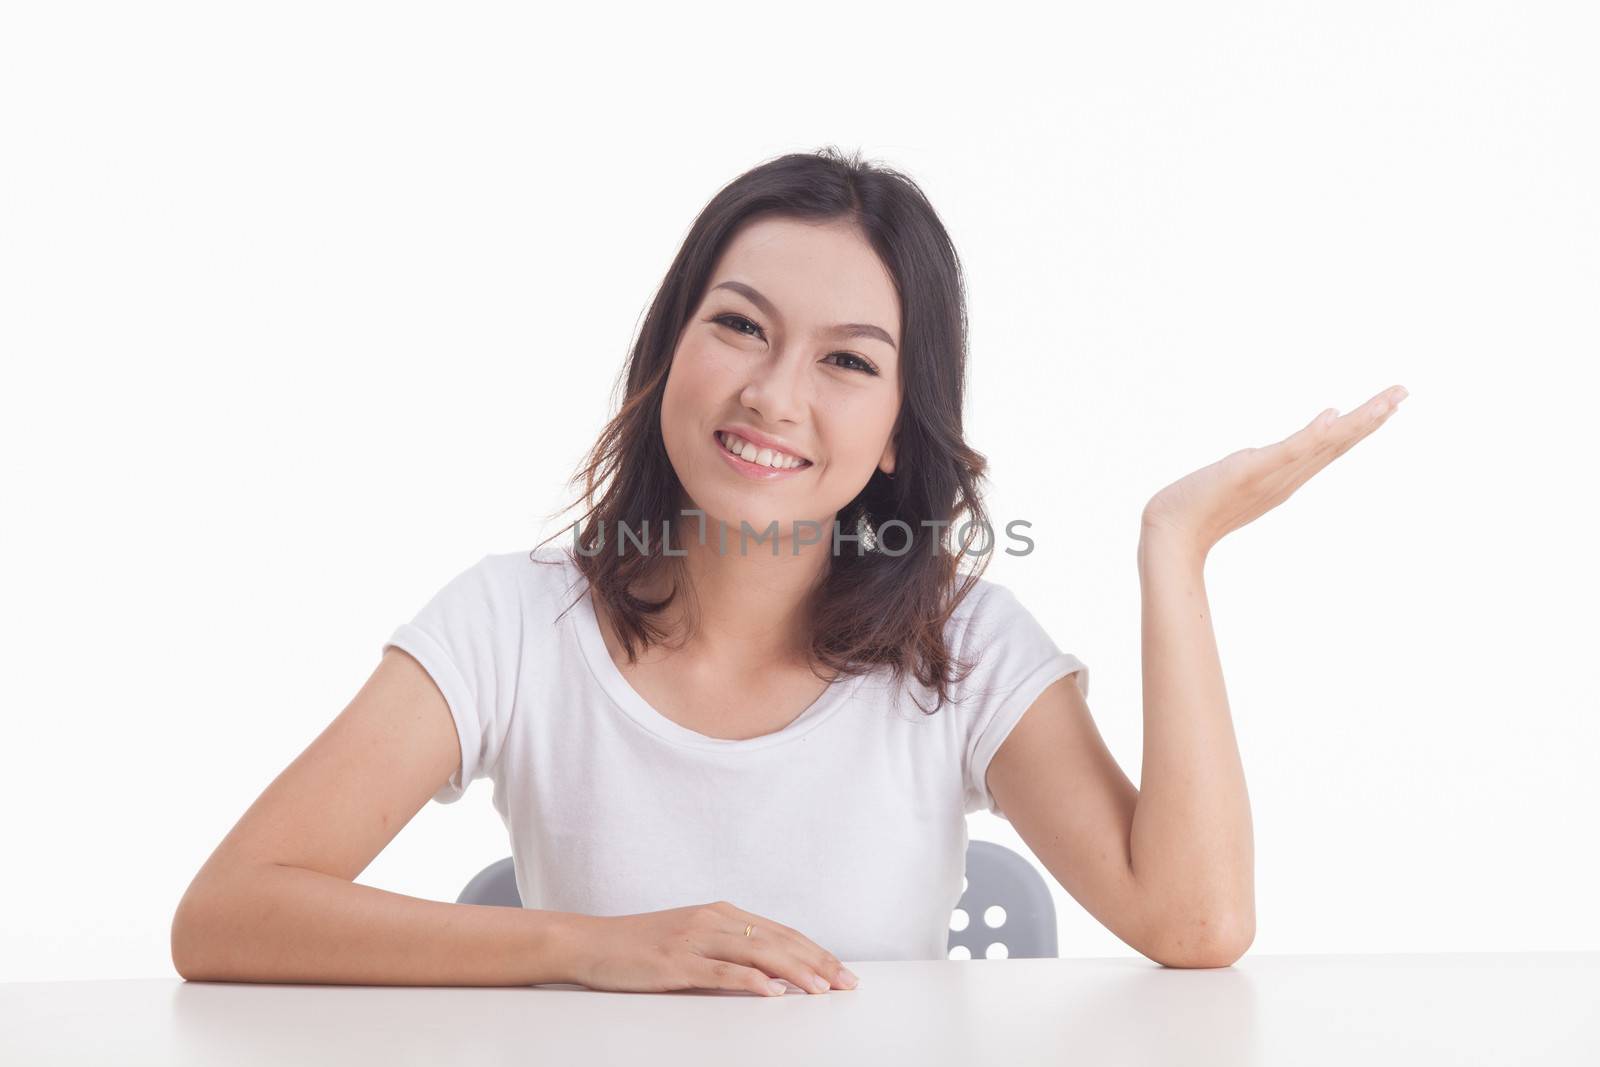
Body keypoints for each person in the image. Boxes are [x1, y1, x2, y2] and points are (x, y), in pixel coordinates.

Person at [170, 146, 1406, 996]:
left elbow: (1192, 925)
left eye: (848, 363)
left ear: (891, 436)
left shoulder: (962, 644)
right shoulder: (510, 620)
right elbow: (225, 912)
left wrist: (1173, 553)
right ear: (668, 351)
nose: (773, 394)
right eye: (740, 325)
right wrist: (591, 946)